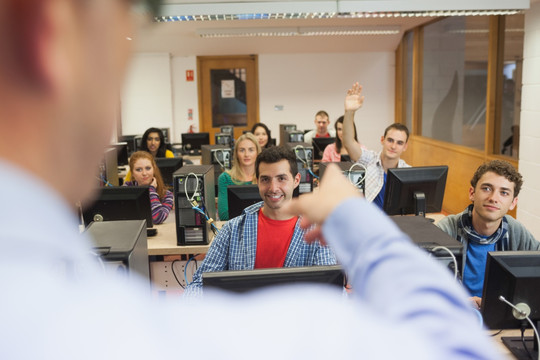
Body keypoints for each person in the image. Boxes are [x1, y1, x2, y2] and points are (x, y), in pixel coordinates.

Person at [0, 1, 504, 358]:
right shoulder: (238, 232)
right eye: (126, 23)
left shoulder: (92, 321)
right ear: (51, 29)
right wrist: (356, 220)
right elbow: (453, 343)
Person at [186, 146, 337, 295]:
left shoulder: (316, 233)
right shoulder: (232, 230)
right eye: (266, 179)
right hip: (243, 315)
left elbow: (333, 292)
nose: (273, 188)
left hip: (294, 317)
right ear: (257, 181)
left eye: (281, 178)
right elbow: (199, 284)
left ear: (296, 180)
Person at [436, 160, 540, 309]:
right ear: (472, 193)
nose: (493, 198)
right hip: (454, 313)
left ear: (513, 203)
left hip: (500, 316)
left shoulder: (515, 231)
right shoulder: (446, 229)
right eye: (486, 188)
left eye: (504, 192)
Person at [342, 83, 410, 209]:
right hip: (368, 222)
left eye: (399, 143)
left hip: (396, 224)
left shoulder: (409, 172)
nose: (394, 146)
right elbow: (348, 142)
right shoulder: (369, 160)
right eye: (390, 140)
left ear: (405, 146)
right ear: (382, 140)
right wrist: (349, 112)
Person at [217, 133, 261, 221]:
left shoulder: (265, 178)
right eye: (242, 150)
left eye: (251, 150)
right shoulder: (225, 178)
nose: (246, 154)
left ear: (257, 152)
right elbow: (224, 215)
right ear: (236, 153)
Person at [123, 151, 173, 225]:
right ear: (132, 173)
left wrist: (151, 190)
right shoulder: (126, 189)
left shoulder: (167, 195)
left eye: (148, 168)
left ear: (154, 169)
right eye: (138, 170)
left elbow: (157, 218)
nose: (144, 173)